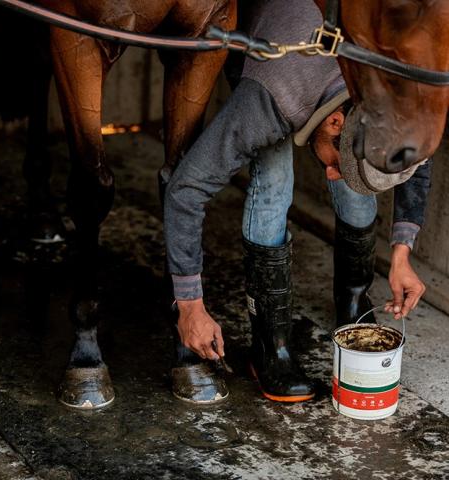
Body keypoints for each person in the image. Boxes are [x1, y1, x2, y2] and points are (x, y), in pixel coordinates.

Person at [164, 0, 431, 404]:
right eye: (336, 165)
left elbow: (415, 159)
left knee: (357, 193)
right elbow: (185, 189)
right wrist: (189, 305)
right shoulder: (268, 100)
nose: (328, 174)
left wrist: (401, 252)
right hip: (274, 59)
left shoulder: (389, 86)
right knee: (274, 183)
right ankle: (270, 345)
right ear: (336, 121)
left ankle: (353, 299)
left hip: (327, 72)